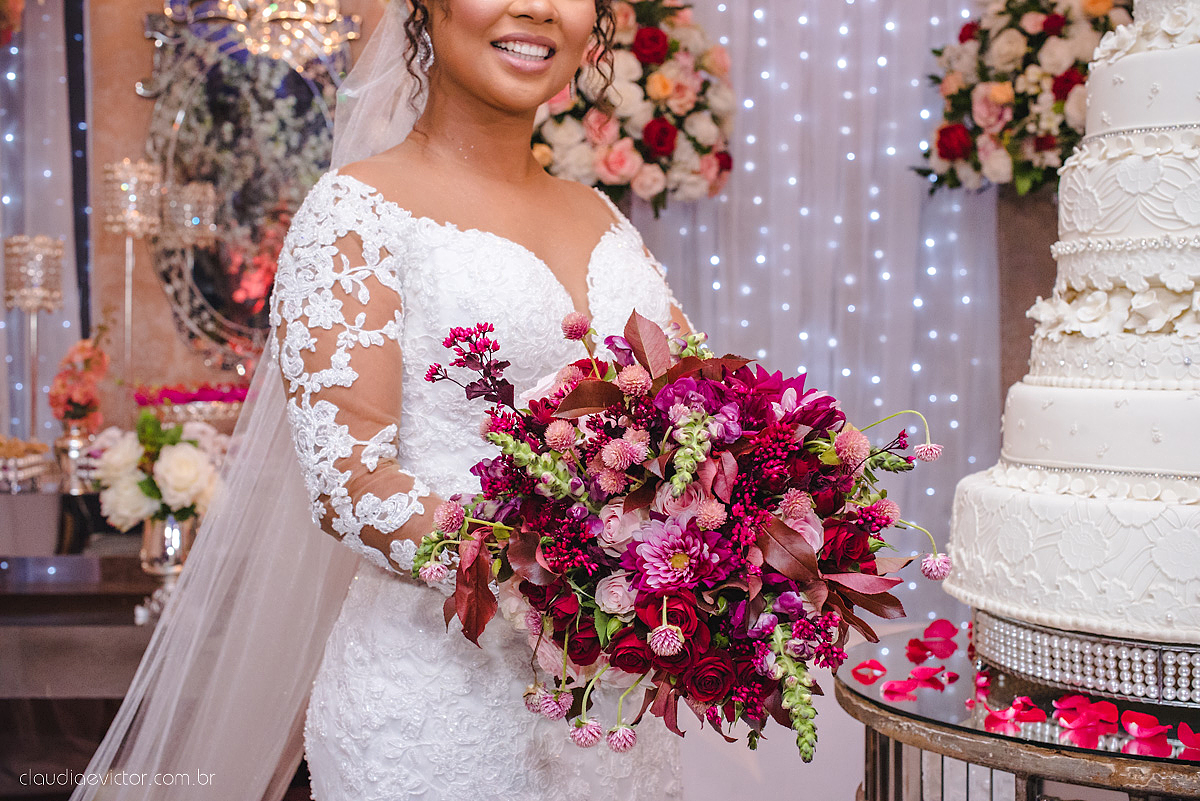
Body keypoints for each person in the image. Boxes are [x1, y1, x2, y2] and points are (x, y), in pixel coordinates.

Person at [72, 1, 688, 799]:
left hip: (615, 713)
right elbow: (351, 483)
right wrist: (564, 563)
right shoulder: (356, 211)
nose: (536, 7)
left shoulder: (605, 216)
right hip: (436, 714)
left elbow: (695, 419)